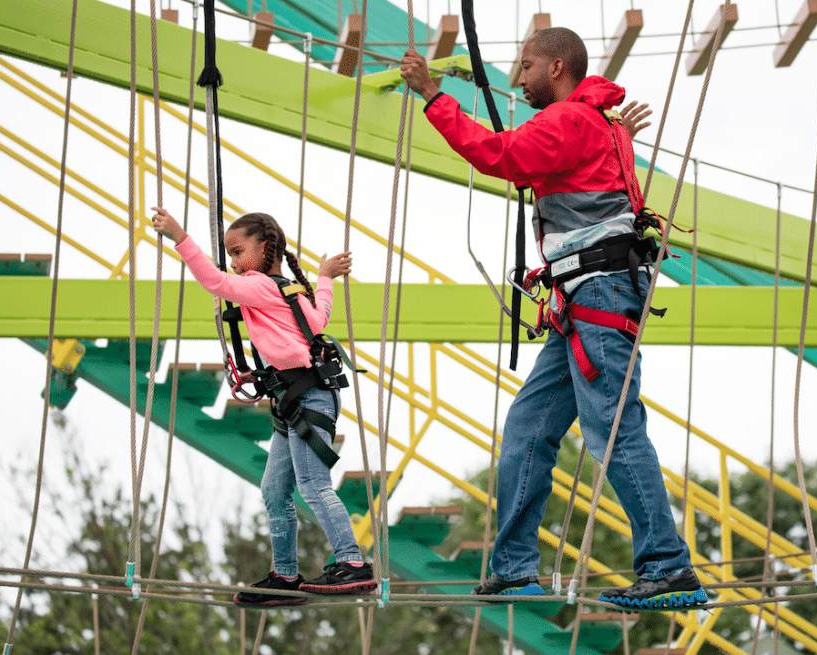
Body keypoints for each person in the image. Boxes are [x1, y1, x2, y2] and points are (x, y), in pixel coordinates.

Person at [400, 28, 706, 610]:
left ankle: (667, 565)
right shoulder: (594, 126)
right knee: (529, 428)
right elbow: (558, 175)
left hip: (598, 292)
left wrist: (434, 97)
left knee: (612, 430)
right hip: (587, 298)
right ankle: (514, 568)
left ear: (557, 66)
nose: (517, 77)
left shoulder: (573, 121)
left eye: (526, 65)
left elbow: (502, 157)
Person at [151, 207, 376, 606]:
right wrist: (324, 278)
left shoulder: (258, 286)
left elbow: (213, 281)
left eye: (238, 252)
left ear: (263, 247)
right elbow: (319, 319)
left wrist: (180, 237)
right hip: (294, 400)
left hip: (307, 397)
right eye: (231, 255)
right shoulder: (288, 290)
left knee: (312, 485)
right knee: (274, 489)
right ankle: (285, 577)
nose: (234, 263)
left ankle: (352, 563)